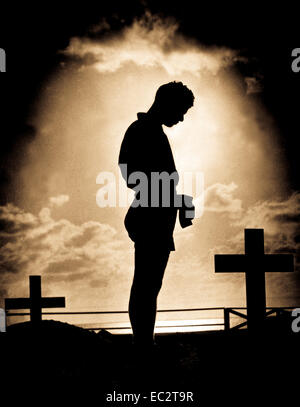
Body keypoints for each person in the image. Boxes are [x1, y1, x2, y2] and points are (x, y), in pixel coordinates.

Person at [118, 81, 195, 352]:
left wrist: (177, 201)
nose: (182, 117)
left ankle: (144, 341)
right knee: (146, 284)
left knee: (150, 284)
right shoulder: (142, 130)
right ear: (165, 103)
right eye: (181, 110)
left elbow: (154, 182)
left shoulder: (151, 131)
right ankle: (142, 344)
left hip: (157, 217)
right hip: (150, 217)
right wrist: (175, 199)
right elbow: (133, 176)